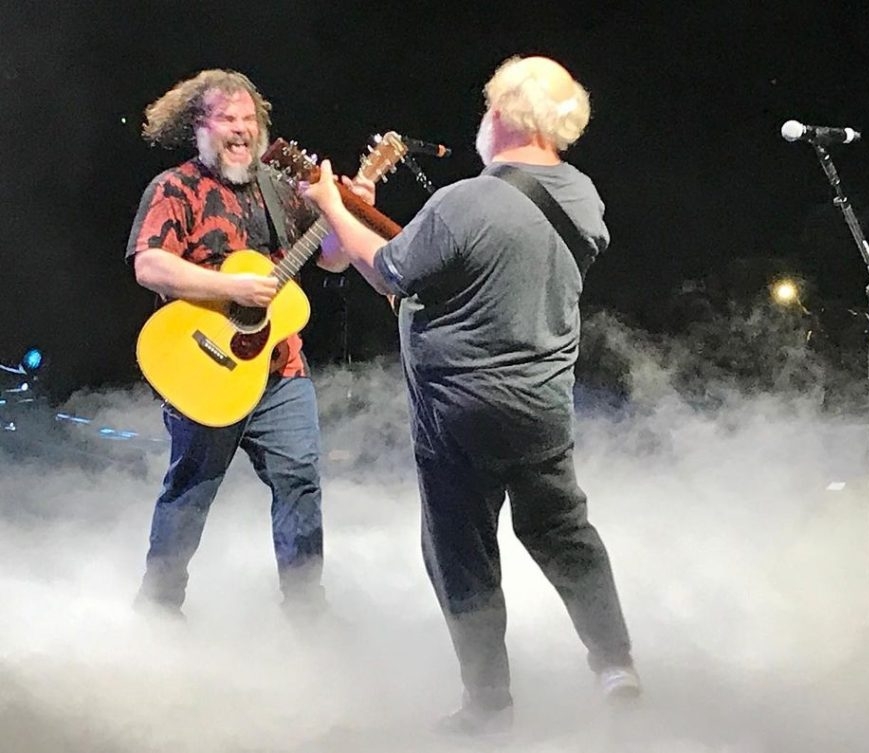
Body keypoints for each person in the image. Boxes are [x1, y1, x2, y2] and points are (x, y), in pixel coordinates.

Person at [304, 55, 640, 733]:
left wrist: (334, 204)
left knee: (460, 552)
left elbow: (391, 269)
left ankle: (488, 705)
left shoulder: (464, 201)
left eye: (488, 109)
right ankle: (615, 664)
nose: (481, 122)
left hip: (459, 412)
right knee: (562, 530)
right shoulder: (582, 195)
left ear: (507, 116)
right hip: (544, 406)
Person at [125, 69, 374, 620]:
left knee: (301, 482)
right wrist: (229, 287)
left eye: (249, 119)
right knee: (191, 491)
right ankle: (159, 608)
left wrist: (344, 213)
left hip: (281, 369)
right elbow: (150, 264)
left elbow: (331, 257)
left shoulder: (279, 189)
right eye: (227, 118)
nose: (240, 130)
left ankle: (307, 610)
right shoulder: (175, 188)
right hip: (206, 368)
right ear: (200, 126)